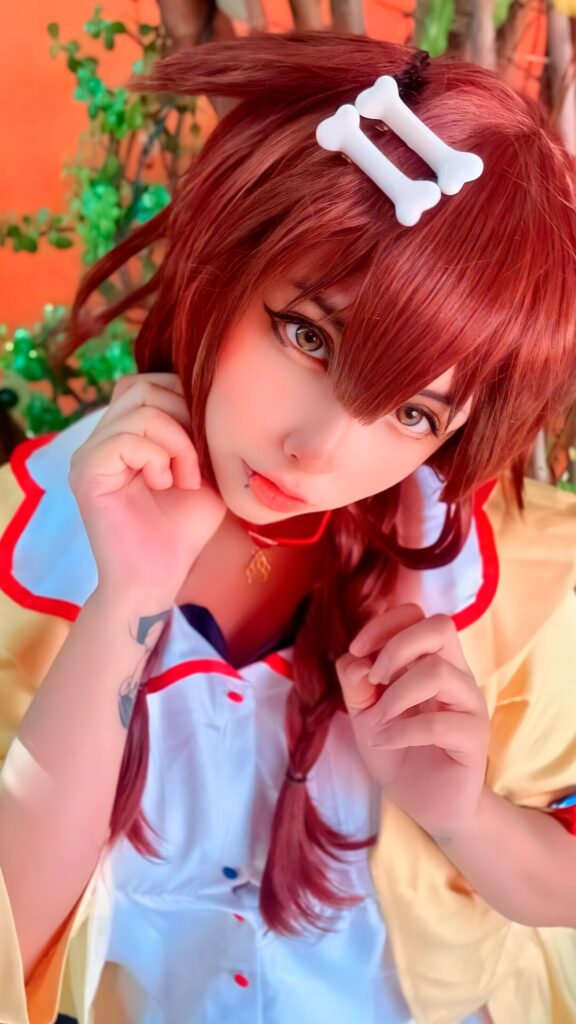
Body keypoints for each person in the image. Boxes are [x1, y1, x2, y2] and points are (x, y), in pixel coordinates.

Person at [1, 29, 576, 1024]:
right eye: (308, 335)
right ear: (225, 256)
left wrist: (464, 815)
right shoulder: (23, 536)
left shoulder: (530, 578)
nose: (319, 450)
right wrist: (126, 599)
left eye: (412, 413)